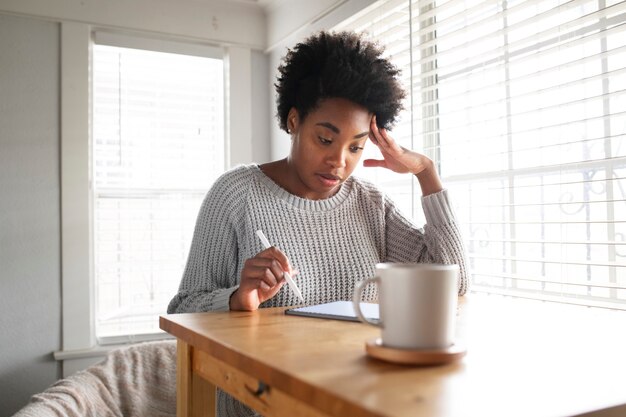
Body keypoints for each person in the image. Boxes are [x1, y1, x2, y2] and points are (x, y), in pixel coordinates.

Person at [167, 30, 469, 416]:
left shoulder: (369, 203)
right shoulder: (236, 194)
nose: (339, 161)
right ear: (294, 120)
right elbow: (182, 308)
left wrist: (426, 172)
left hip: (357, 398)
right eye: (325, 139)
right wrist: (237, 299)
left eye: (356, 147)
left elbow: (452, 282)